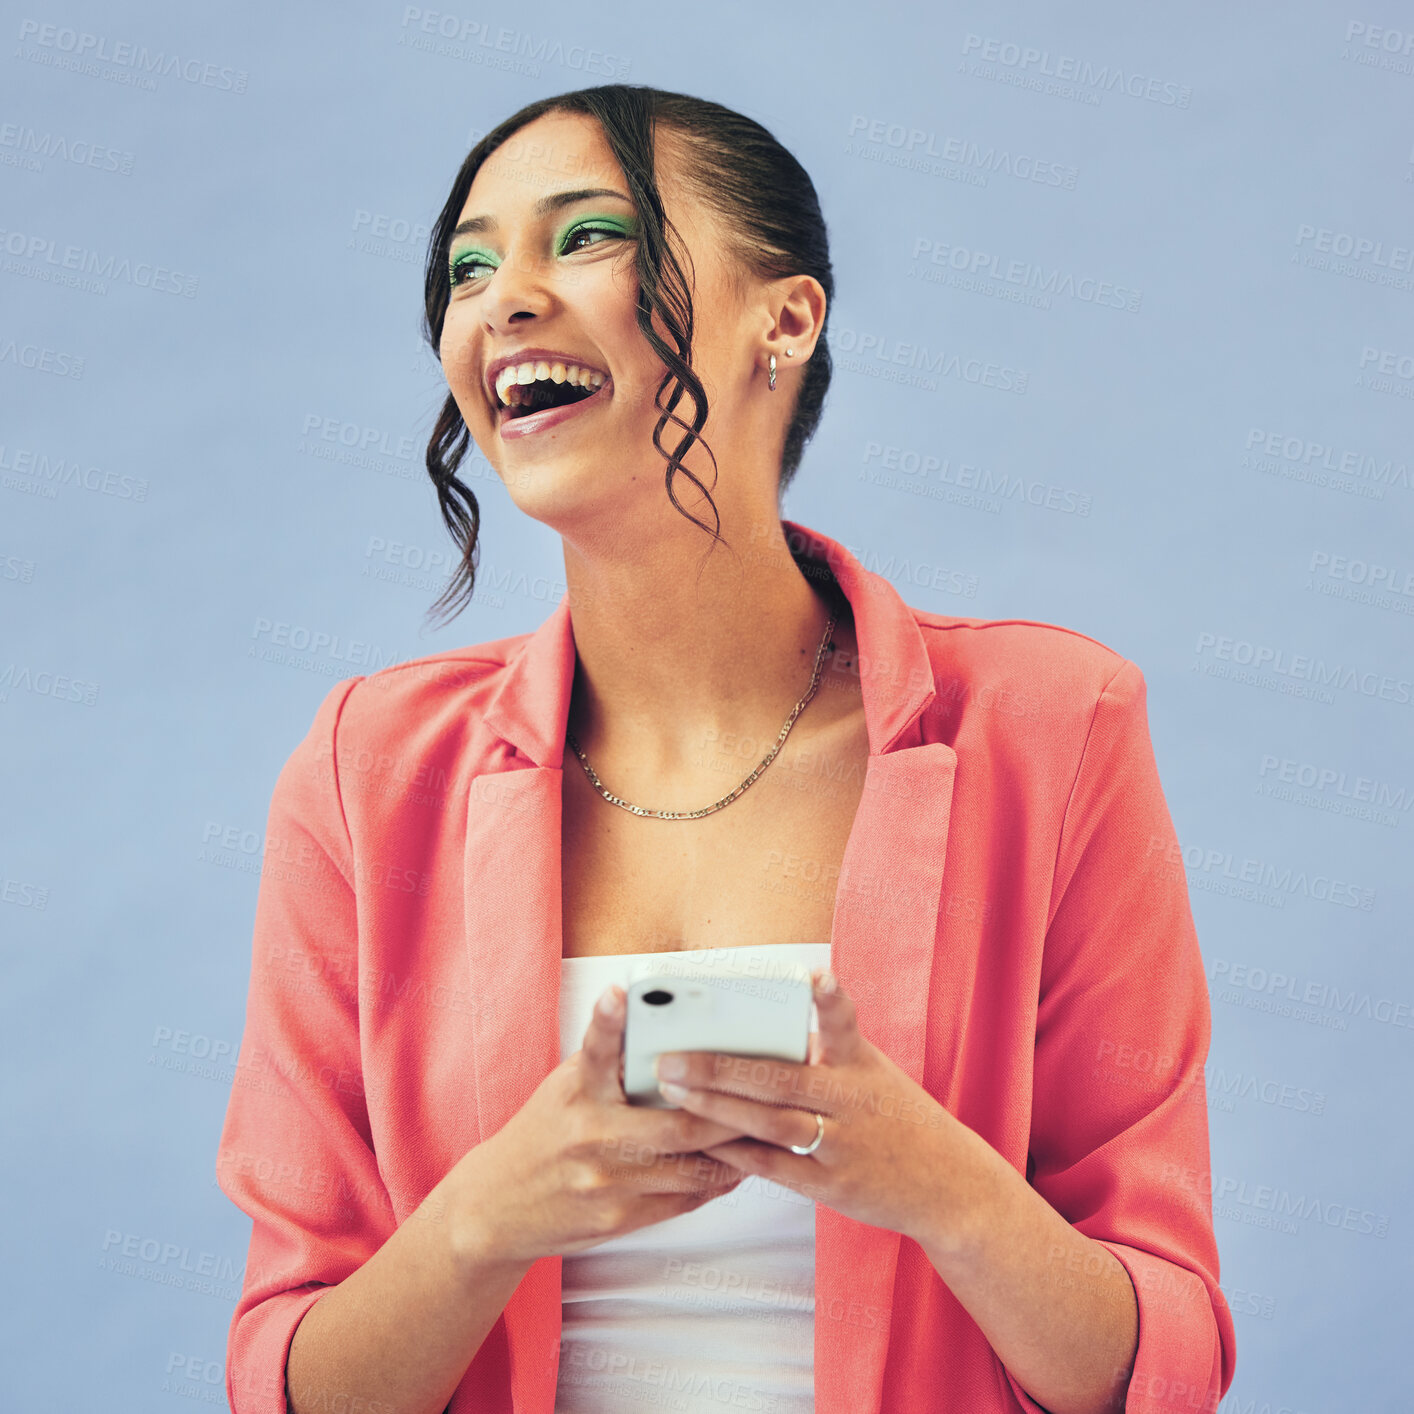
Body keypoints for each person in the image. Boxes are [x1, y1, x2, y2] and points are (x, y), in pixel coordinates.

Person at [216, 84, 1237, 1414]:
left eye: (585, 236)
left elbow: (1160, 1365)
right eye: (470, 265)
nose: (503, 297)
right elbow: (283, 1385)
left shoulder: (1053, 725)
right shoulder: (365, 770)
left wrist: (931, 1177)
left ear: (786, 318)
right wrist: (487, 1217)